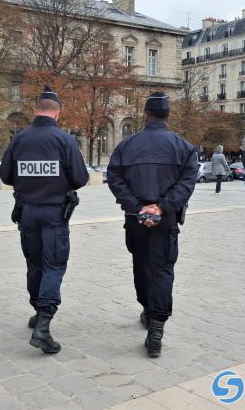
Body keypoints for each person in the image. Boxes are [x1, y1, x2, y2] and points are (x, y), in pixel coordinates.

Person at [106, 92, 197, 358]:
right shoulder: (182, 147)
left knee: (141, 265)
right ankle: (156, 326)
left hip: (136, 219)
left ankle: (148, 310)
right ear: (168, 116)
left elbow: (114, 178)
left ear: (145, 116)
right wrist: (162, 206)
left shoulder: (127, 145)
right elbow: (187, 183)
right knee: (162, 270)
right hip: (165, 219)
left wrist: (137, 206)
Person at [0, 86, 89, 355]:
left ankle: (38, 311)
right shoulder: (64, 140)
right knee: (53, 265)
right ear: (57, 113)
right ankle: (44, 324)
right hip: (54, 215)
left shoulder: (19, 139)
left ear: (35, 110)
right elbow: (80, 179)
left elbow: (5, 176)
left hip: (27, 213)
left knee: (34, 264)